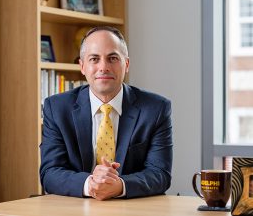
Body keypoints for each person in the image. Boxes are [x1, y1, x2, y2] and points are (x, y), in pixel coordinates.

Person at [40, 26, 173, 200]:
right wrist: (91, 184)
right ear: (82, 66)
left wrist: (120, 186)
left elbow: (160, 174)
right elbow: (50, 173)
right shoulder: (56, 108)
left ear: (126, 64)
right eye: (94, 59)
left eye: (112, 58)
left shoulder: (156, 108)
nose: (103, 67)